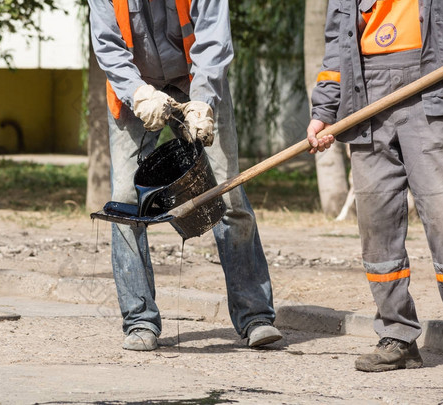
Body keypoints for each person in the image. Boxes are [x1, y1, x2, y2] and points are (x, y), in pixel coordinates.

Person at [88, 0, 305, 351]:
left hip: (195, 81)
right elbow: (108, 45)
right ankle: (140, 321)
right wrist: (138, 94)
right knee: (125, 204)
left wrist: (202, 101)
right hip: (135, 90)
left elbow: (213, 42)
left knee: (228, 193)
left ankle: (255, 317)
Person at [307, 0, 443, 375]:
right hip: (363, 93)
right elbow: (336, 45)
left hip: (431, 80)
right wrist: (323, 112)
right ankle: (397, 335)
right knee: (377, 228)